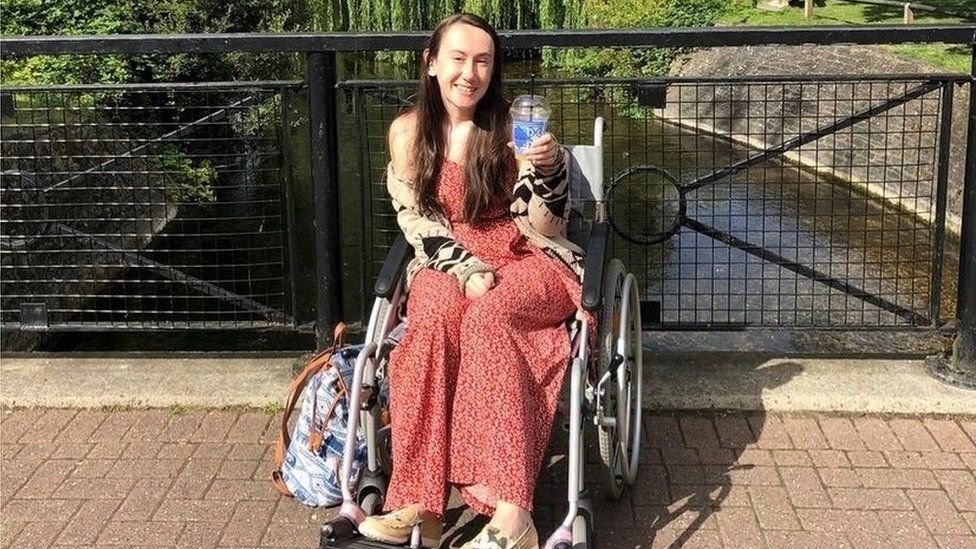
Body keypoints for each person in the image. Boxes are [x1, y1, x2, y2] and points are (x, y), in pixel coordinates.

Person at [356, 13, 586, 549]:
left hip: (530, 256)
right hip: (450, 258)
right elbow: (416, 220)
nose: (470, 72)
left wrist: (549, 172)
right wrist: (465, 268)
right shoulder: (408, 133)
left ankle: (513, 517)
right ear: (431, 63)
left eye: (483, 60)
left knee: (490, 317)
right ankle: (418, 502)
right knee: (430, 320)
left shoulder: (513, 128)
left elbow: (549, 225)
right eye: (458, 58)